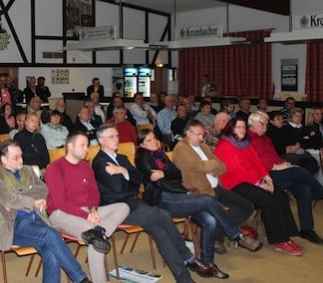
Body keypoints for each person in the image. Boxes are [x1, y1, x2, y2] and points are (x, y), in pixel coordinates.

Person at [92, 124, 212, 283]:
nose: (116, 140)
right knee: (163, 215)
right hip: (117, 208)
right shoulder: (100, 162)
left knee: (161, 232)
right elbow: (119, 188)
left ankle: (184, 278)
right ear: (101, 140)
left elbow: (139, 179)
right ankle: (188, 258)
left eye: (117, 136)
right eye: (111, 137)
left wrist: (123, 171)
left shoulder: (121, 159)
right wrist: (130, 180)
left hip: (134, 204)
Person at [136, 128, 261, 278]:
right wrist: (183, 190)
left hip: (178, 196)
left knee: (211, 221)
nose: (154, 142)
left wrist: (165, 174)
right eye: (148, 140)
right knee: (207, 200)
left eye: (154, 138)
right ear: (142, 145)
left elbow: (177, 173)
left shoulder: (160, 154)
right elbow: (161, 184)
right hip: (162, 199)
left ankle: (209, 264)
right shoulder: (143, 159)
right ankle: (236, 235)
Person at [0, 140, 91, 283]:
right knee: (50, 235)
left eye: (21, 155)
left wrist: (19, 195)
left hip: (37, 219)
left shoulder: (27, 170)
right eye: (16, 157)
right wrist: (32, 201)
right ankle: (80, 279)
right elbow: (7, 198)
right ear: (4, 159)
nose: (20, 159)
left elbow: (43, 189)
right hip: (13, 225)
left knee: (51, 252)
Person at [45, 133, 130, 283]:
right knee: (96, 240)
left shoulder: (85, 166)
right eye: (82, 145)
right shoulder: (55, 168)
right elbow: (60, 203)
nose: (87, 149)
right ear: (70, 147)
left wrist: (93, 210)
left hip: (86, 212)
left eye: (87, 146)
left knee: (123, 207)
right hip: (60, 214)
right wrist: (87, 217)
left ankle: (100, 231)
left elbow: (94, 193)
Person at [214, 117, 303, 255]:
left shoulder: (245, 143)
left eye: (244, 127)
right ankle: (279, 240)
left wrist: (267, 178)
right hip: (234, 183)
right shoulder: (225, 145)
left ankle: (287, 232)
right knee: (267, 200)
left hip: (253, 179)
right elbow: (238, 170)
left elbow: (257, 162)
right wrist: (260, 184)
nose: (242, 130)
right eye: (238, 127)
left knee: (279, 193)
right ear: (231, 129)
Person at [172, 120, 255, 253]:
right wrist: (211, 165)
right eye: (199, 135)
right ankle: (223, 237)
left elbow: (222, 166)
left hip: (216, 187)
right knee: (215, 216)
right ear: (188, 133)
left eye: (203, 134)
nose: (202, 138)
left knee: (247, 207)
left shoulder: (203, 146)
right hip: (200, 192)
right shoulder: (181, 149)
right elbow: (201, 166)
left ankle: (218, 235)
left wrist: (211, 166)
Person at [248, 111, 323, 244]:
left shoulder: (266, 138)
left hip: (276, 171)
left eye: (266, 125)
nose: (265, 127)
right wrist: (275, 166)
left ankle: (306, 229)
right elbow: (252, 161)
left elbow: (274, 155)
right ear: (252, 123)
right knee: (300, 172)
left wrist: (282, 163)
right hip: (263, 177)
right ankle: (320, 193)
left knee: (304, 188)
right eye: (262, 124)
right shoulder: (247, 138)